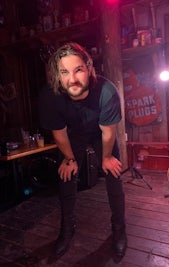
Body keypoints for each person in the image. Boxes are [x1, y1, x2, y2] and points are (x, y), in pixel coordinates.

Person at [39, 42, 127, 259]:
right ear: (58, 75)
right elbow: (59, 134)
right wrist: (69, 159)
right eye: (64, 72)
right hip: (74, 135)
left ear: (89, 67)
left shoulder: (107, 91)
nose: (72, 79)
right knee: (66, 177)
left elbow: (108, 134)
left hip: (100, 134)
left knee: (113, 174)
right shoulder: (50, 96)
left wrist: (106, 158)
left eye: (78, 69)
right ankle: (67, 229)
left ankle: (119, 228)